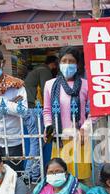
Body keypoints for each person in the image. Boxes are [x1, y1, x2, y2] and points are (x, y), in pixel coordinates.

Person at [43, 46, 92, 181]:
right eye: (64, 61)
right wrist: (48, 126)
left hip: (80, 138)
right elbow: (47, 110)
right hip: (59, 139)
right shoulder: (50, 85)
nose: (67, 64)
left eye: (71, 61)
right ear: (59, 63)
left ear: (78, 64)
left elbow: (93, 112)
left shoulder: (86, 85)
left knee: (81, 178)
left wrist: (85, 129)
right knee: (59, 177)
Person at [23, 56, 58, 180]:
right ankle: (30, 174)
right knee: (37, 142)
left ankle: (33, 173)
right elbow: (46, 90)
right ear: (53, 64)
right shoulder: (45, 71)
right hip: (34, 109)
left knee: (38, 142)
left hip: (31, 108)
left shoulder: (37, 70)